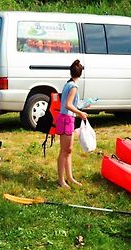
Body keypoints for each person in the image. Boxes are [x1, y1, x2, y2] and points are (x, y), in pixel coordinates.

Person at [55, 59, 87, 189]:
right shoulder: (74, 86)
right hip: (67, 119)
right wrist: (80, 113)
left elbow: (68, 103)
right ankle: (61, 180)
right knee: (64, 151)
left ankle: (70, 177)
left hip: (66, 119)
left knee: (68, 150)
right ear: (80, 73)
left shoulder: (68, 83)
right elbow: (68, 105)